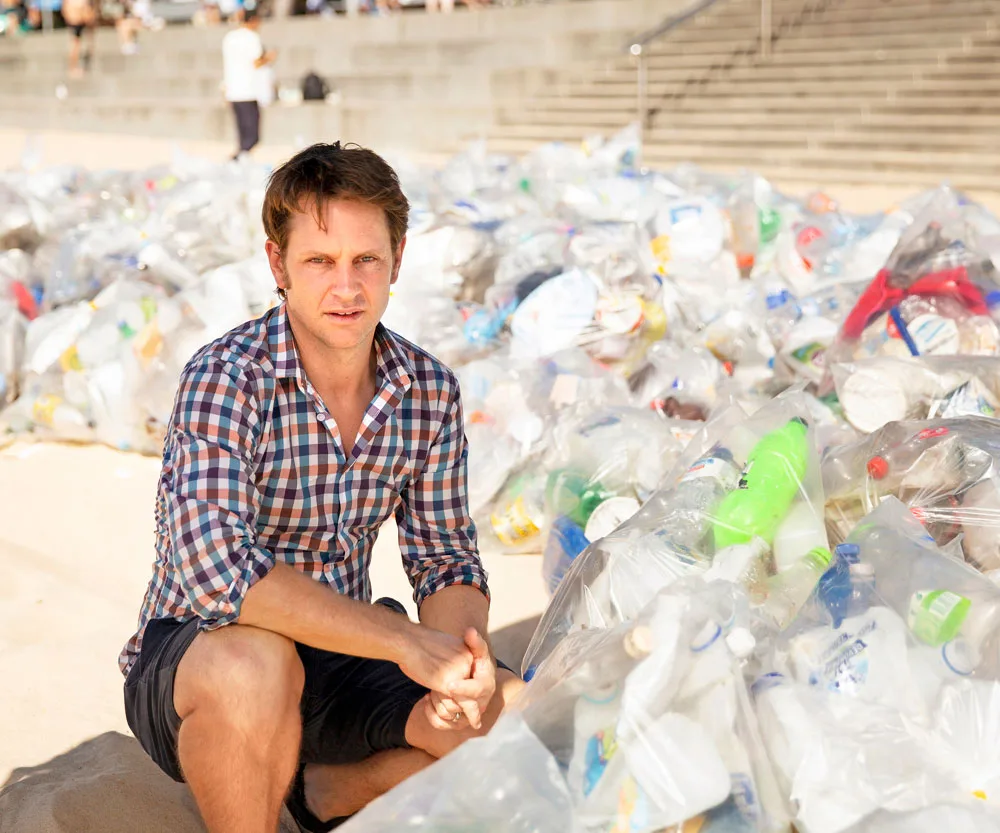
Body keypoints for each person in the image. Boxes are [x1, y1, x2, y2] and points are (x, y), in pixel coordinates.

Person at [119, 141, 524, 833]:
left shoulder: (426, 390)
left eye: (367, 259)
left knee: (513, 715)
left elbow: (445, 558)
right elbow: (219, 574)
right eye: (320, 261)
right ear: (279, 265)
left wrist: (458, 663)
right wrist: (404, 644)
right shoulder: (227, 376)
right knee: (256, 665)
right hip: (204, 652)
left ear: (397, 259)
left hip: (341, 655)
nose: (347, 287)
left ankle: (327, 790)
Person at [221, 5, 274, 160]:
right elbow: (256, 62)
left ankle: (239, 159)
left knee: (243, 134)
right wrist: (269, 58)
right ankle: (237, 160)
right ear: (254, 20)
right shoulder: (252, 37)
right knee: (252, 136)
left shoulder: (229, 38)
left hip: (233, 90)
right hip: (248, 90)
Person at [61, 0, 95, 78]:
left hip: (78, 21)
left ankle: (74, 67)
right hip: (75, 22)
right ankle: (73, 67)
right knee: (75, 45)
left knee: (77, 45)